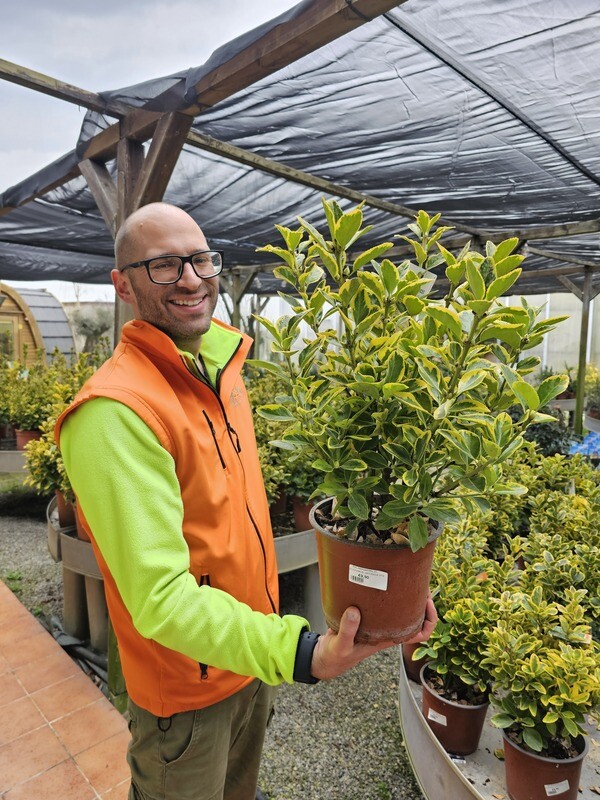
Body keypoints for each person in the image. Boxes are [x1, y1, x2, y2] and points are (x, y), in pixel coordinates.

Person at [55, 202, 437, 800]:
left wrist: (391, 579)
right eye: (163, 265)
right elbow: (160, 600)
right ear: (122, 285)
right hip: (183, 688)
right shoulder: (116, 413)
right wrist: (300, 651)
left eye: (202, 259)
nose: (190, 277)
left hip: (246, 659)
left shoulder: (221, 369)